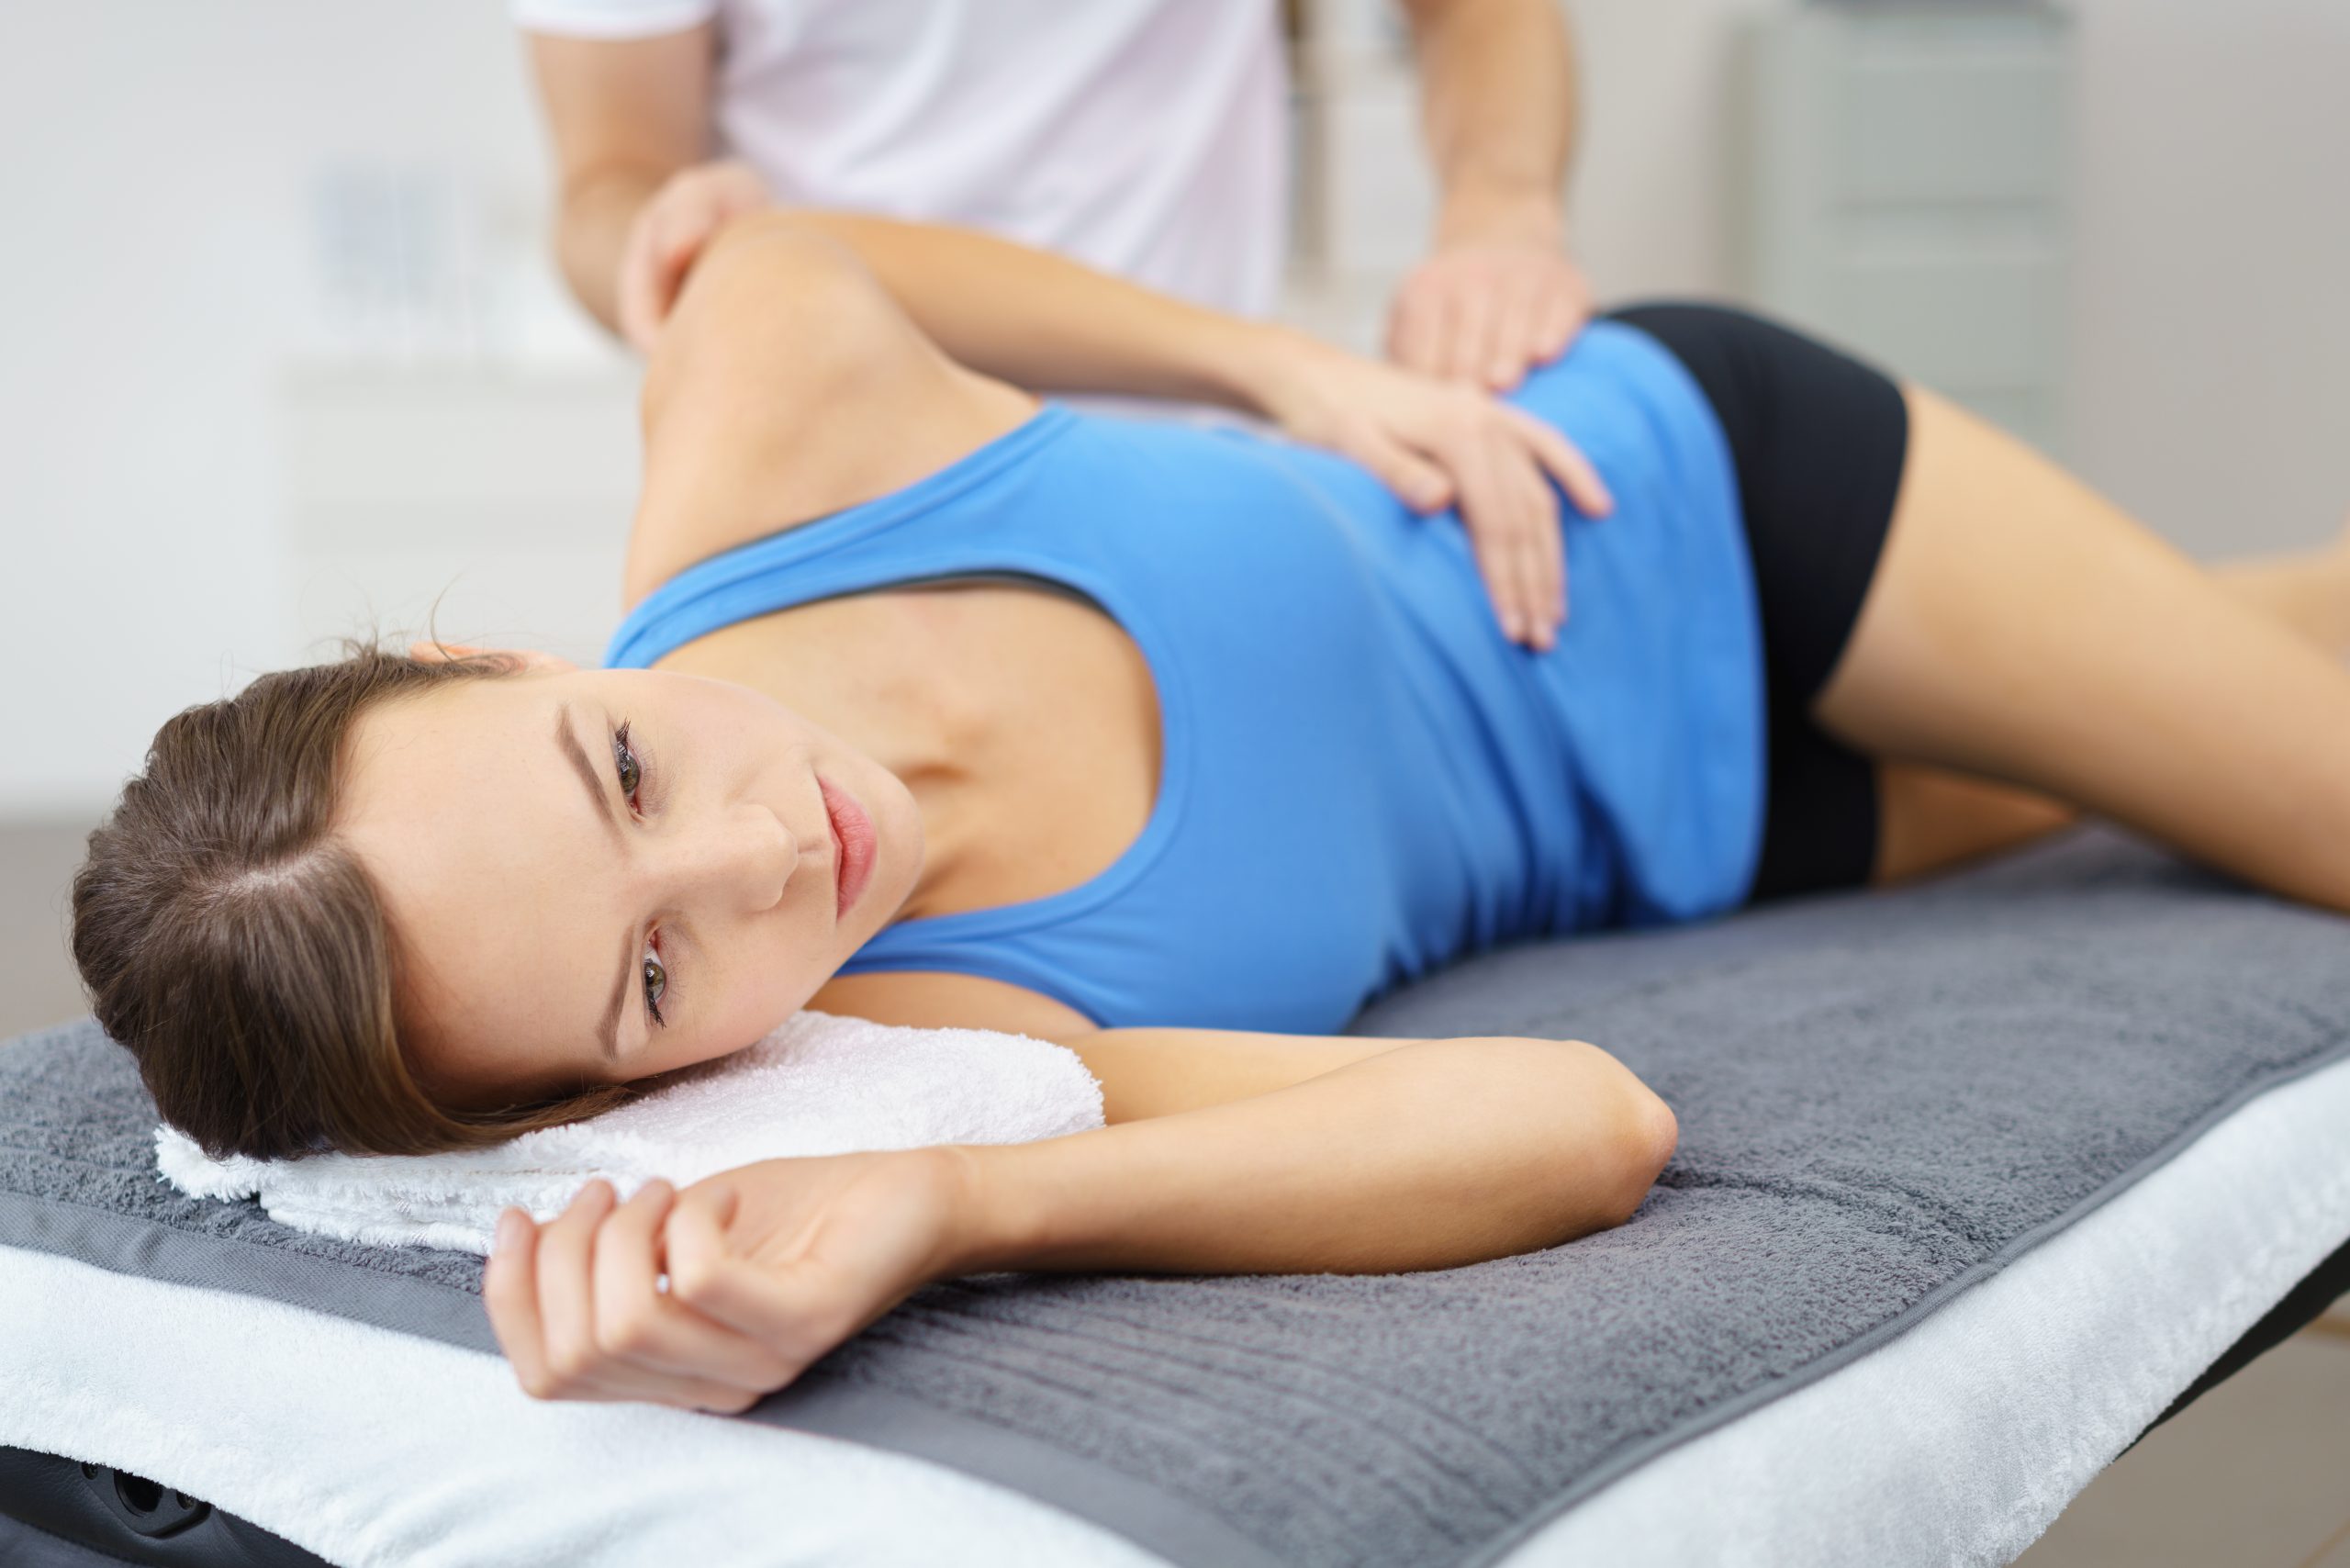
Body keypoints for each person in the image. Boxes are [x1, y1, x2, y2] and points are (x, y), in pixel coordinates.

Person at [72, 210, 2350, 1415]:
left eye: (629, 766)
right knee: (2280, 645)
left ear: (499, 660)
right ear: (613, 1089)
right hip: (1727, 826)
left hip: (1689, 497)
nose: (770, 858)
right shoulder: (945, 1036)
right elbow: (1579, 1122)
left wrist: (1287, 369)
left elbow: (788, 247)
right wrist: (948, 1205)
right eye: (654, 972)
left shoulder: (771, 433)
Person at [521, 0, 1594, 388]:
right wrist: (669, 243)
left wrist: (1498, 213)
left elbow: (1479, 12)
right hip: (840, 471)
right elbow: (610, 178)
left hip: (1198, 462)